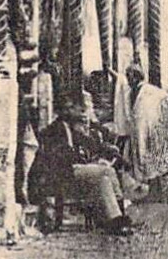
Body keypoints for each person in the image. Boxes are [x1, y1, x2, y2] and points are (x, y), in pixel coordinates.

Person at [30, 91, 135, 235]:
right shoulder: (55, 129)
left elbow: (90, 144)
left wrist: (102, 156)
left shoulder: (71, 128)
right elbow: (58, 158)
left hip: (74, 169)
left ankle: (115, 218)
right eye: (71, 108)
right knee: (106, 171)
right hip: (64, 172)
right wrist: (85, 161)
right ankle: (120, 211)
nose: (75, 111)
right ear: (63, 111)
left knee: (104, 178)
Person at [121, 66, 168, 190]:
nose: (127, 79)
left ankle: (155, 188)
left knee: (151, 156)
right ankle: (143, 186)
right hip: (137, 130)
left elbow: (163, 100)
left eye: (130, 76)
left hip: (150, 129)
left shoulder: (151, 92)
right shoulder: (130, 92)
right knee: (138, 157)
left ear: (137, 76)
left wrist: (157, 124)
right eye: (126, 75)